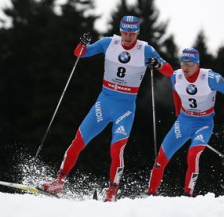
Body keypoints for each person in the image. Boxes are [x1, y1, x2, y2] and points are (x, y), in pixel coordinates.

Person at [38, 16, 174, 202]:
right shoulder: (109, 43)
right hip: (104, 102)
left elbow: (169, 71)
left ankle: (111, 192)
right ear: (120, 30)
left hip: (125, 108)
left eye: (131, 33)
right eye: (124, 32)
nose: (127, 37)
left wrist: (157, 64)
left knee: (116, 149)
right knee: (78, 141)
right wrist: (82, 43)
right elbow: (79, 53)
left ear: (137, 33)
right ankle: (59, 181)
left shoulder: (145, 49)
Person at [147, 48, 224, 196]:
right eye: (183, 63)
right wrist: (177, 113)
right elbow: (176, 91)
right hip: (183, 121)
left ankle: (187, 193)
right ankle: (150, 193)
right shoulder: (176, 76)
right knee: (161, 158)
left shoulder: (210, 78)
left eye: (190, 64)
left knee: (192, 154)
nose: (186, 67)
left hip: (204, 124)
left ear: (198, 64)